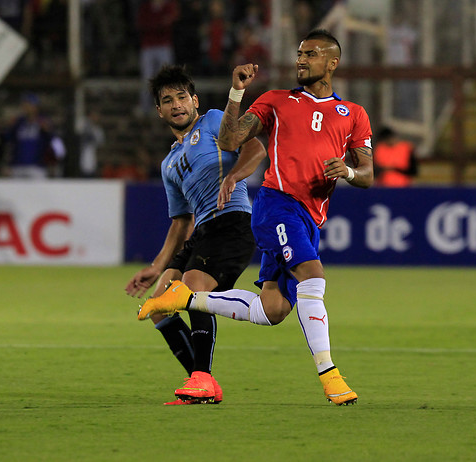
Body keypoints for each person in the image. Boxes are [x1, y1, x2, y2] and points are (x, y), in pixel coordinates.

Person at [138, 29, 374, 406]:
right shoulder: (277, 101)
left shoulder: (354, 115)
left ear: (332, 62)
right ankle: (331, 376)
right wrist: (236, 94)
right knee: (313, 278)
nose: (301, 60)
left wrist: (346, 172)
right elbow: (232, 140)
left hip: (311, 218)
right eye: (299, 53)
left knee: (272, 310)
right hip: (277, 205)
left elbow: (367, 174)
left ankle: (188, 299)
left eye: (311, 54)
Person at [126, 64, 266, 405]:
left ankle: (201, 381)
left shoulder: (216, 120)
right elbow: (180, 222)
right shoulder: (169, 163)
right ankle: (202, 382)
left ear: (195, 101)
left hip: (232, 222)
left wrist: (233, 176)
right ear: (159, 111)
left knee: (192, 288)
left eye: (181, 97)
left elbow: (256, 149)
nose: (177, 105)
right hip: (203, 230)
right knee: (160, 306)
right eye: (167, 100)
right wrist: (156, 267)